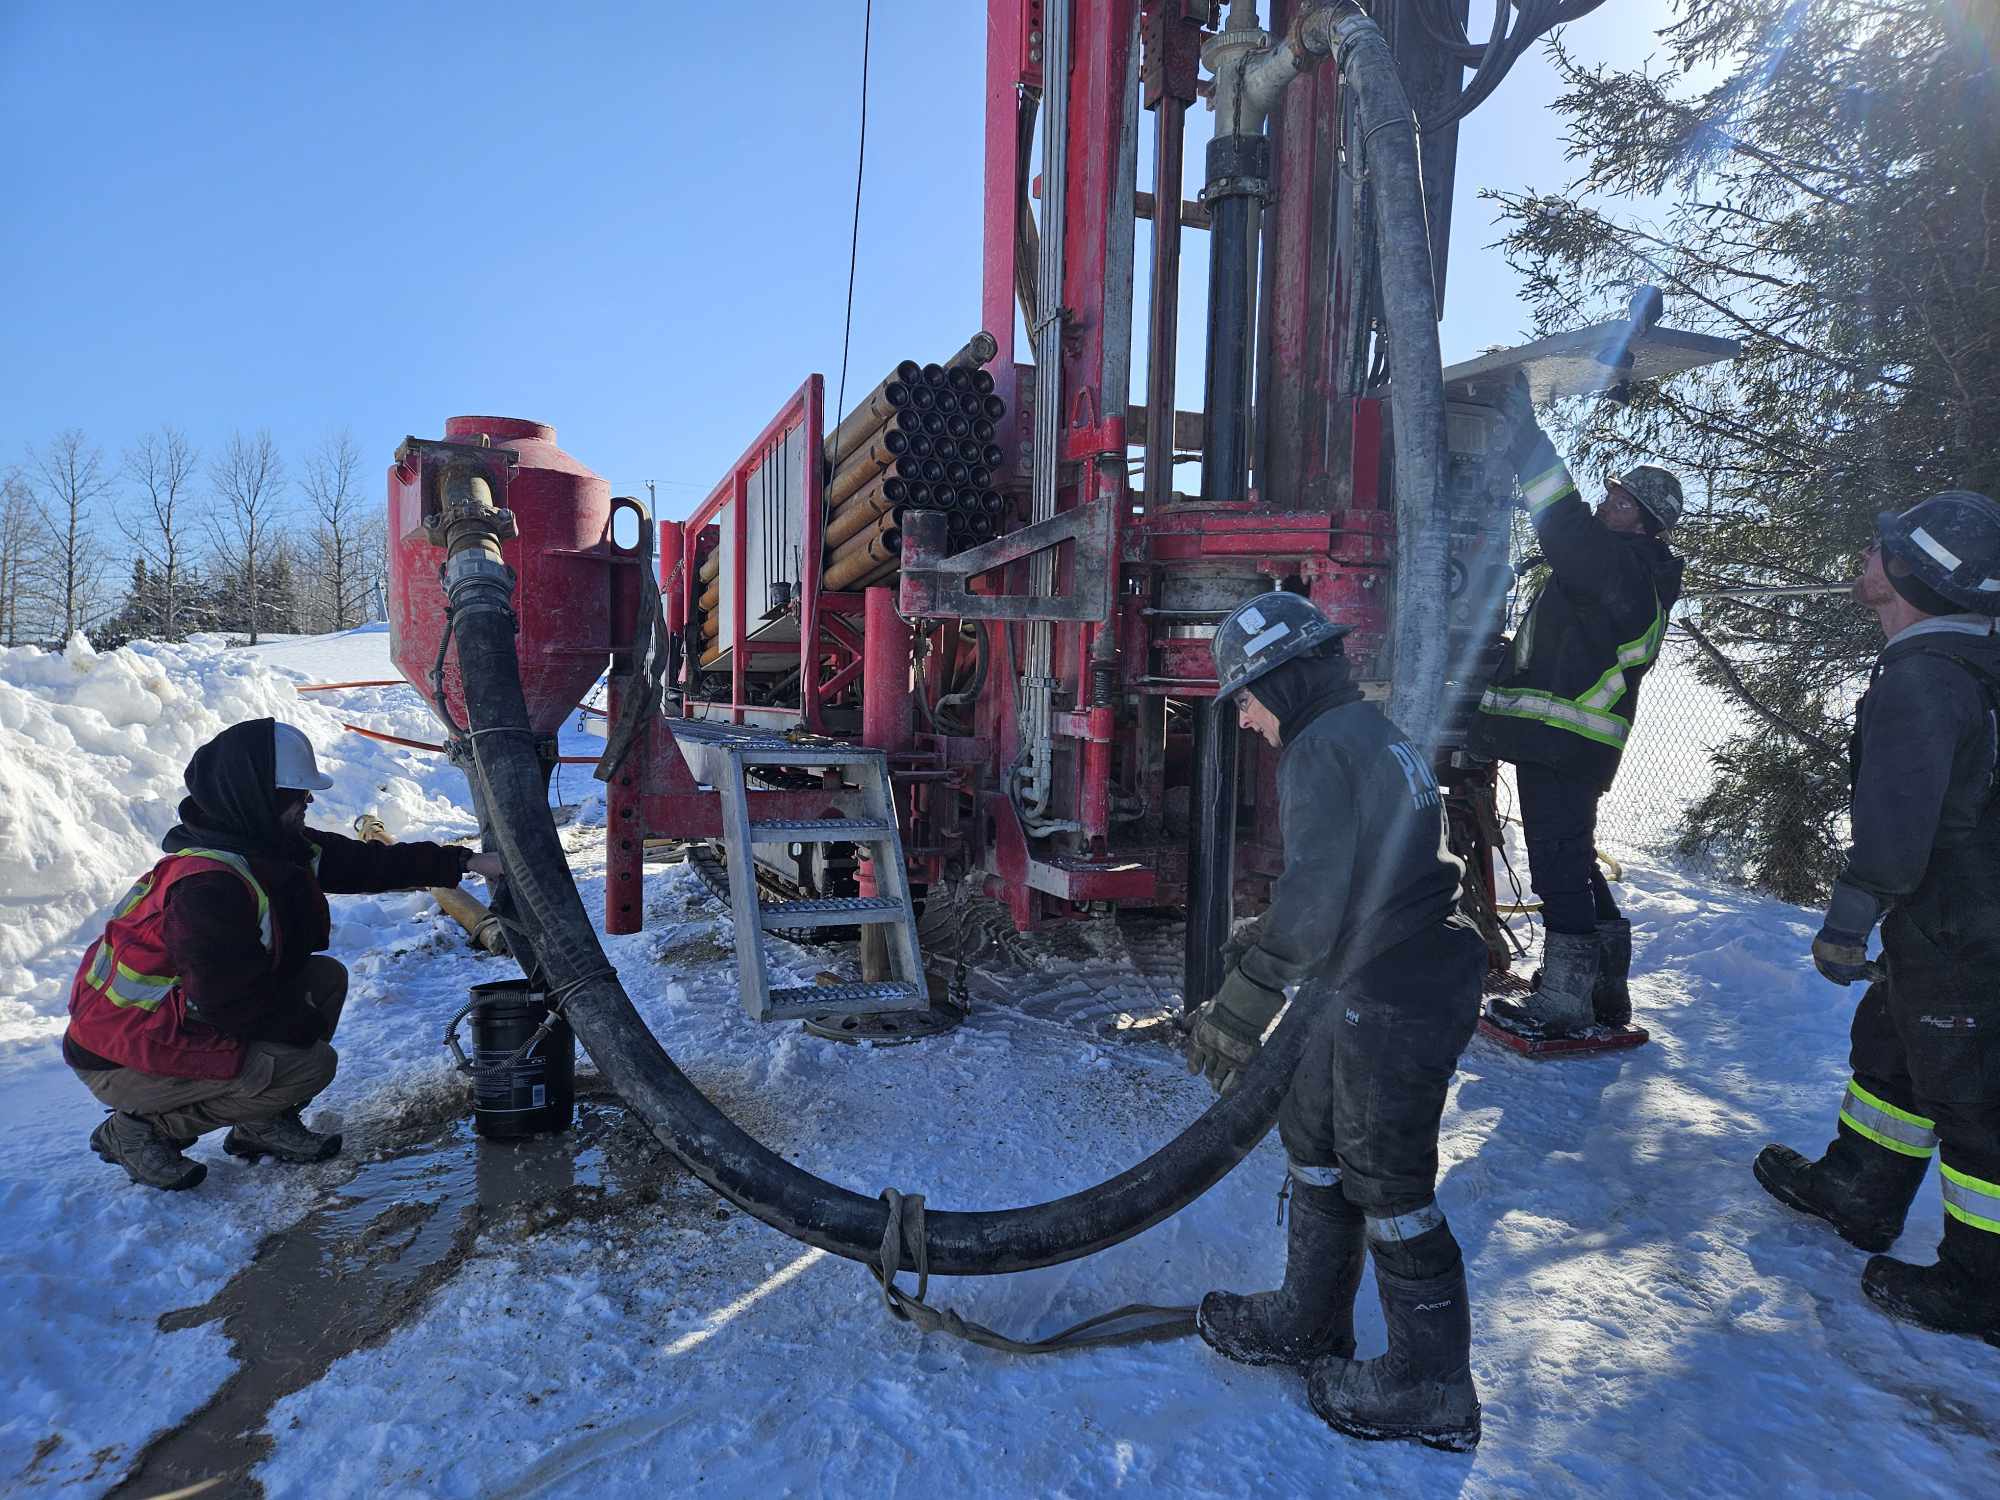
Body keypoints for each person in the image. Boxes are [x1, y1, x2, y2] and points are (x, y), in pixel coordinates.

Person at [1185, 592, 1487, 1452]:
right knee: (1313, 1131)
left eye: (1246, 697)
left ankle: (1432, 1386)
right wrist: (1274, 935)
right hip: (1377, 969)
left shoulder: (1318, 748)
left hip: (1397, 983)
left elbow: (1318, 897)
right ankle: (1310, 1320)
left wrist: (1242, 1005)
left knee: (1386, 1178)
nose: (1245, 718)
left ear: (1283, 680)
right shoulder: (1367, 731)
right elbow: (1356, 872)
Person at [1755, 491, 2000, 1345]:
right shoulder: (1968, 661)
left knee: (1972, 1095)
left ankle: (1983, 1285)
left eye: (1880, 547)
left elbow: (1898, 830)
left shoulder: (1925, 679)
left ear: (1907, 574)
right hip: (1955, 916)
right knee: (1893, 1043)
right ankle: (1859, 1189)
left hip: (1963, 922)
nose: (1865, 556)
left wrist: (1847, 924)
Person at [65, 717, 505, 1190]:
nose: (307, 802)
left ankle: (261, 1121)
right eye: (297, 793)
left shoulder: (265, 844)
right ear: (258, 797)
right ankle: (139, 1130)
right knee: (308, 1065)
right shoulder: (208, 888)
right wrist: (301, 1032)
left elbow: (365, 861)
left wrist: (465, 861)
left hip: (172, 1022)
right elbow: (228, 1003)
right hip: (125, 1055)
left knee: (323, 980)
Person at [1469, 379, 1686, 1036]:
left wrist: (1527, 436)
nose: (1604, 503)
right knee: (1574, 856)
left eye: (1619, 502)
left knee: (1558, 862)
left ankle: (1564, 1002)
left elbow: (1559, 515)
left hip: (1561, 739)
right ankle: (1603, 992)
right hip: (1573, 741)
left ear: (1643, 524)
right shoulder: (1636, 570)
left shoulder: (1615, 566)